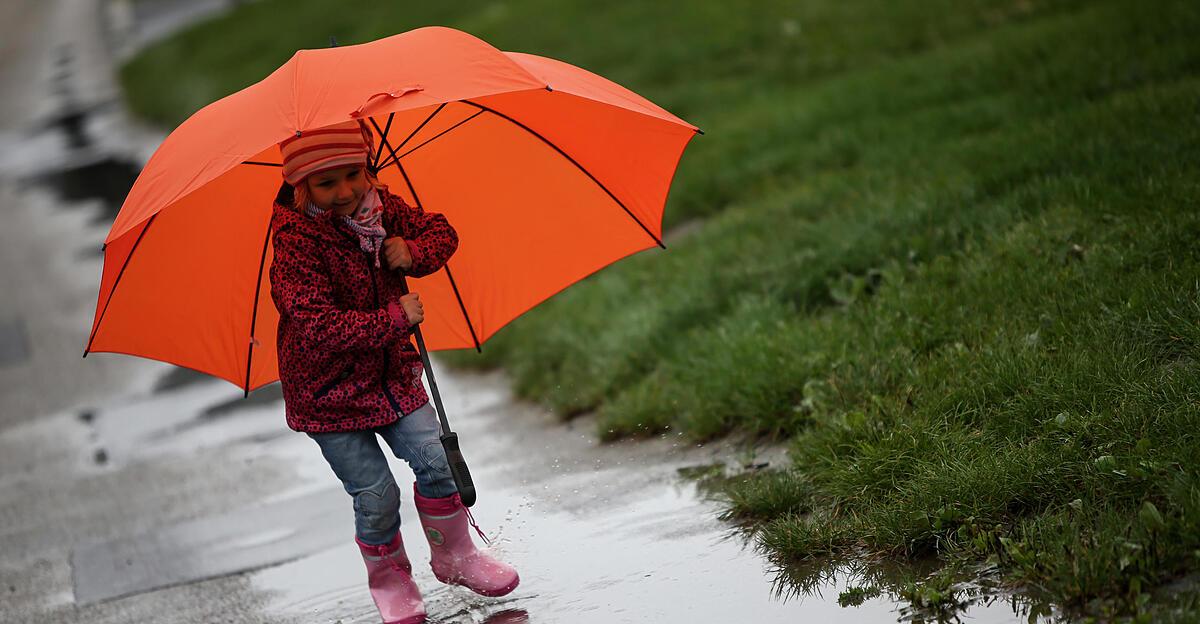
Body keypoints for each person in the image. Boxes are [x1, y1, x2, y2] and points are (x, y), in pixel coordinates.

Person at [268, 120, 519, 624]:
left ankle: (456, 556)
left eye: (353, 174)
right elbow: (316, 325)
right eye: (326, 182)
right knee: (377, 493)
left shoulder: (381, 209)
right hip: (327, 394)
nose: (345, 191)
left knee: (434, 460)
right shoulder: (296, 242)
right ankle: (391, 579)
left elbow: (440, 231)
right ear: (301, 188)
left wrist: (413, 251)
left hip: (393, 376)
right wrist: (395, 319)